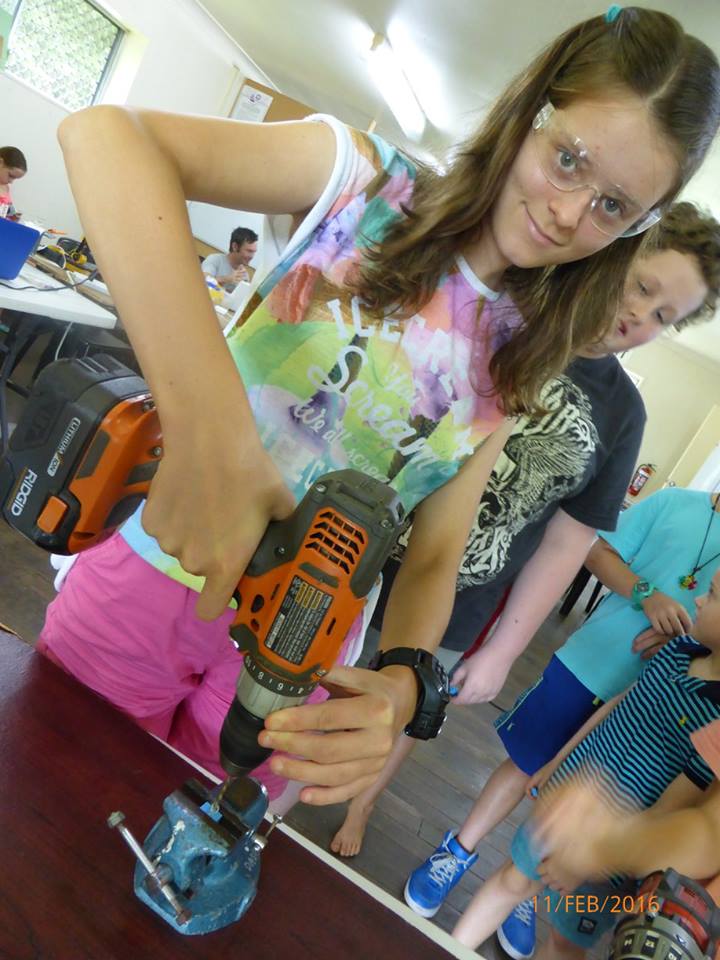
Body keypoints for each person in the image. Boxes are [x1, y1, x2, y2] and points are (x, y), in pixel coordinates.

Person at [45, 8, 720, 813]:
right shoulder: (366, 185)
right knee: (47, 792)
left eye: (613, 207)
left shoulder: (525, 348)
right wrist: (211, 429)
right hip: (161, 569)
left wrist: (402, 682)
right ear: (533, 110)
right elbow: (107, 139)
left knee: (190, 841)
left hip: (304, 644)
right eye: (568, 159)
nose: (571, 213)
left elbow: (437, 545)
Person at [331, 201, 720, 857]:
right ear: (615, 255)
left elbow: (569, 543)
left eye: (664, 316)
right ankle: (269, 804)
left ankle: (362, 803)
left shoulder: (622, 413)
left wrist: (505, 650)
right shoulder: (507, 316)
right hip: (362, 542)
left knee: (405, 705)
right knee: (317, 674)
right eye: (642, 287)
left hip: (464, 592)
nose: (640, 316)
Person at [404, 485, 720, 953]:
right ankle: (458, 850)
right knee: (525, 765)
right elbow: (595, 548)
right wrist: (647, 594)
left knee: (556, 880)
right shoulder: (675, 504)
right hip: (589, 667)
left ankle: (531, 898)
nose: (703, 599)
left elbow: (686, 813)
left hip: (643, 730)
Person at [201, 226, 258, 291]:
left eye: (254, 252)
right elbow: (203, 283)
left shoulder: (245, 276)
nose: (252, 256)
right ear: (235, 246)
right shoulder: (214, 260)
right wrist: (226, 279)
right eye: (249, 251)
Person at [0, 145, 27, 218]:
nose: (11, 181)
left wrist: (13, 216)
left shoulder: (5, 188)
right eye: (10, 176)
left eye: (15, 178)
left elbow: (6, 213)